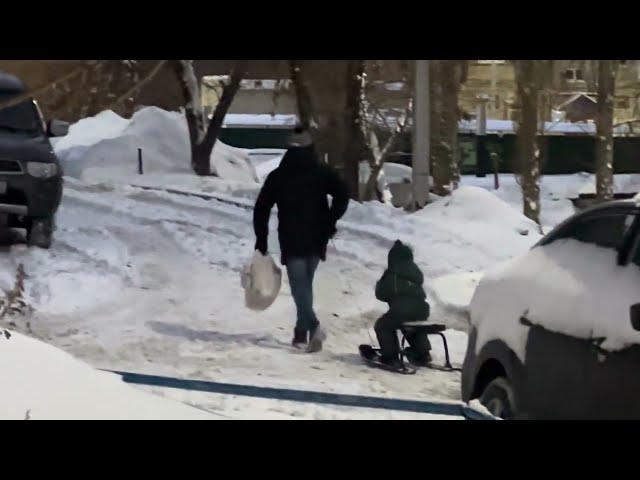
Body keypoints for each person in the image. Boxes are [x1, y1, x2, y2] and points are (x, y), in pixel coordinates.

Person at [253, 126, 349, 353]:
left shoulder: (279, 176)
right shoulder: (322, 172)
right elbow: (343, 194)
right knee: (304, 284)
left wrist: (262, 238)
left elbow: (262, 208)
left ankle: (313, 327)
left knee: (300, 285)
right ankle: (300, 332)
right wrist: (330, 220)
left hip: (292, 236)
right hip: (317, 236)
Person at [374, 240, 432, 367]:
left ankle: (390, 355)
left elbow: (382, 294)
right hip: (422, 310)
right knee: (413, 326)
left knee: (383, 325)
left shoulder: (393, 273)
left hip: (402, 310)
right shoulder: (415, 273)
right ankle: (422, 353)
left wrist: (380, 283)